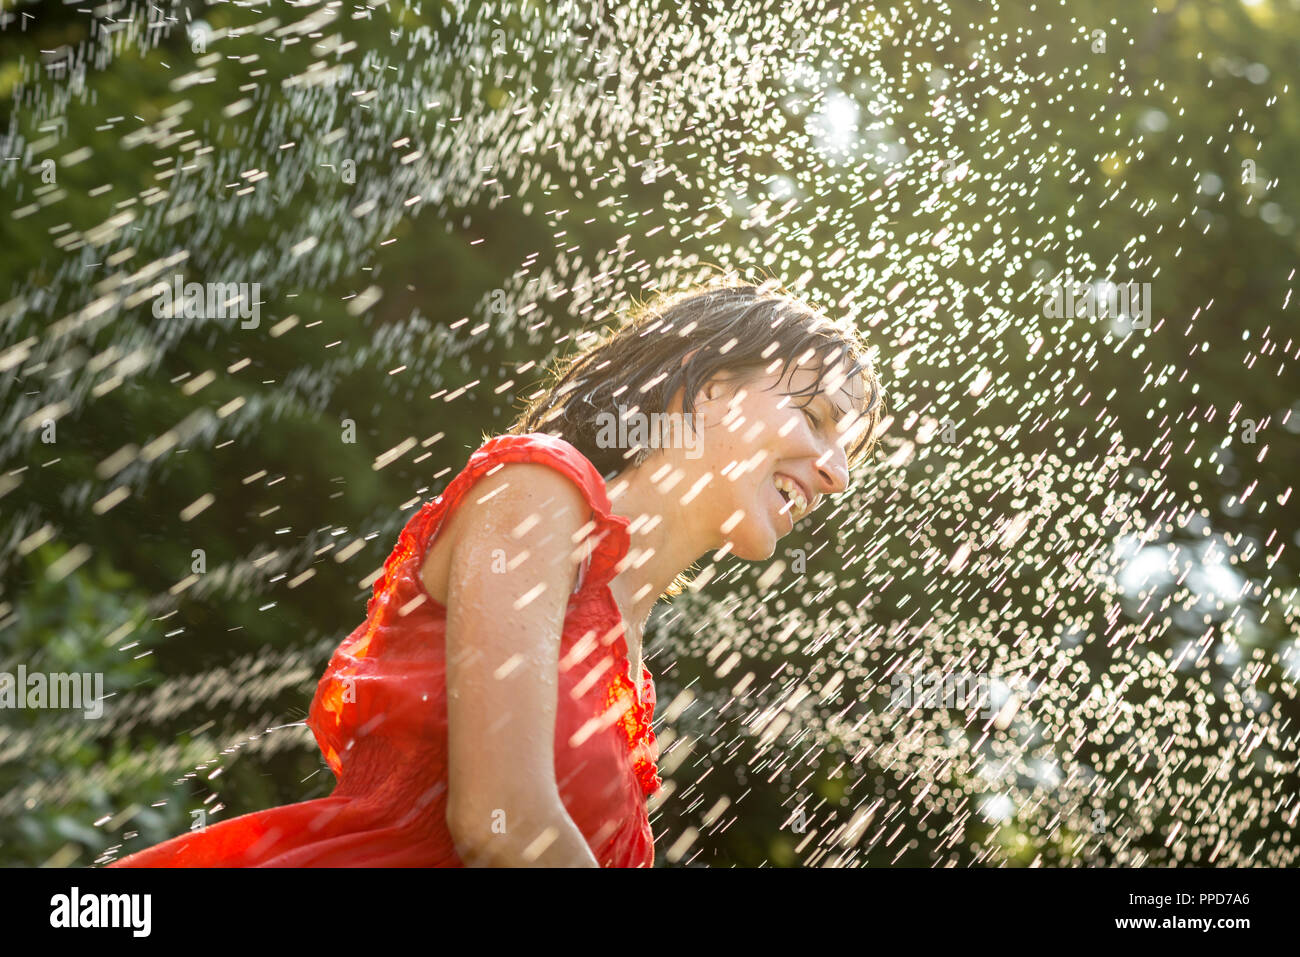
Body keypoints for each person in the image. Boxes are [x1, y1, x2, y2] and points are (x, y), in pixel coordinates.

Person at [107, 278, 886, 867]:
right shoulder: (539, 491)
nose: (838, 470)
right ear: (711, 386)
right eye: (815, 418)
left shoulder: (632, 672)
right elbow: (496, 820)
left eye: (850, 444)